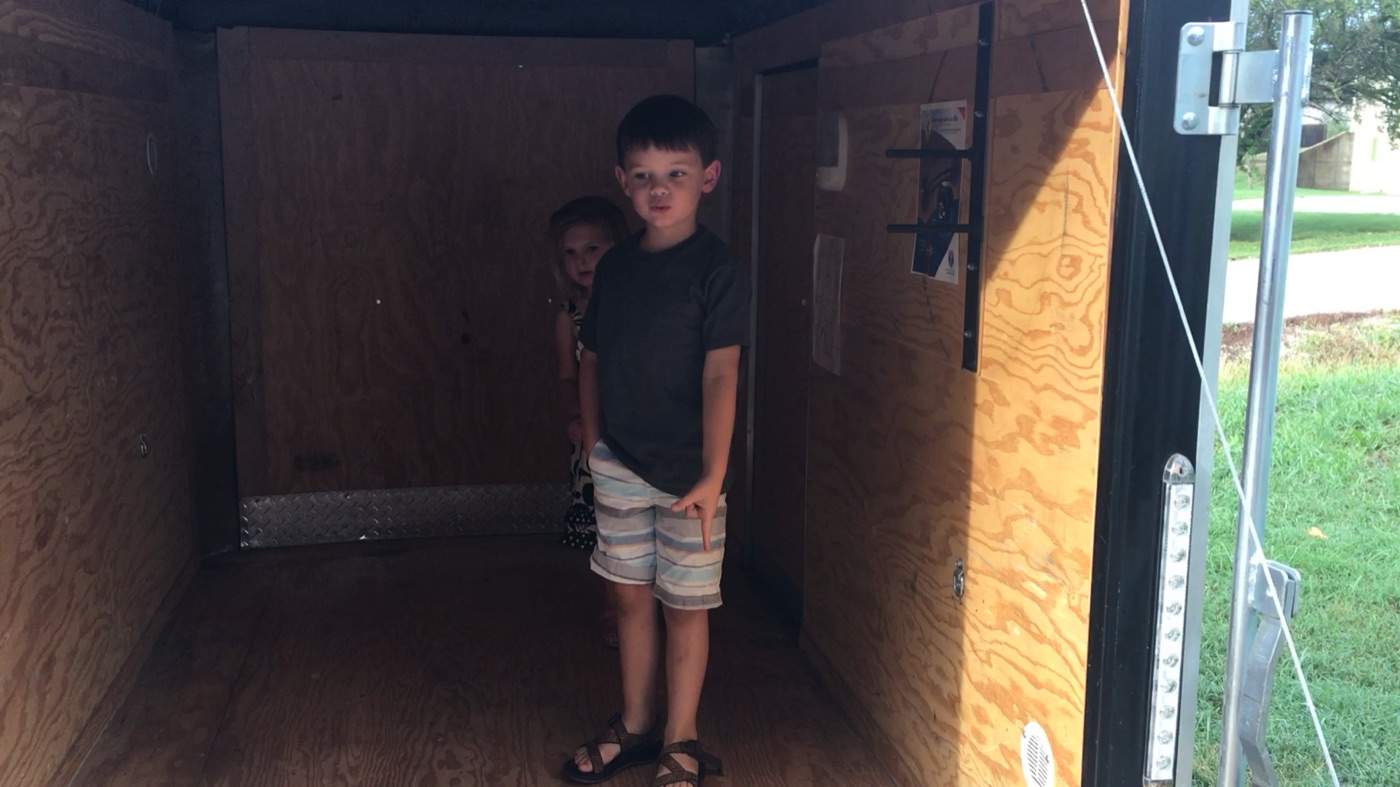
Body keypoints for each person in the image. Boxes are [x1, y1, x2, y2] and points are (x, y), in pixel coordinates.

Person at [562, 95, 750, 787]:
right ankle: (637, 723)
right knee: (631, 597)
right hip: (620, 463)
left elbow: (722, 371)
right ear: (622, 181)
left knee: (685, 604)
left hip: (690, 477)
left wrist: (713, 473)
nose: (659, 188)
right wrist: (594, 441)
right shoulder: (614, 268)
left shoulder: (717, 270)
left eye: (676, 172)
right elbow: (592, 357)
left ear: (709, 176)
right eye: (643, 176)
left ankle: (681, 736)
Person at [548, 195, 631, 649]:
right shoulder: (570, 317)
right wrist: (574, 418)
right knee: (607, 529)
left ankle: (644, 607)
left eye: (592, 249)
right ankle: (614, 608)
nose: (581, 261)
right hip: (594, 440)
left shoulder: (633, 303)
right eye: (571, 252)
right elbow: (565, 375)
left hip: (635, 430)